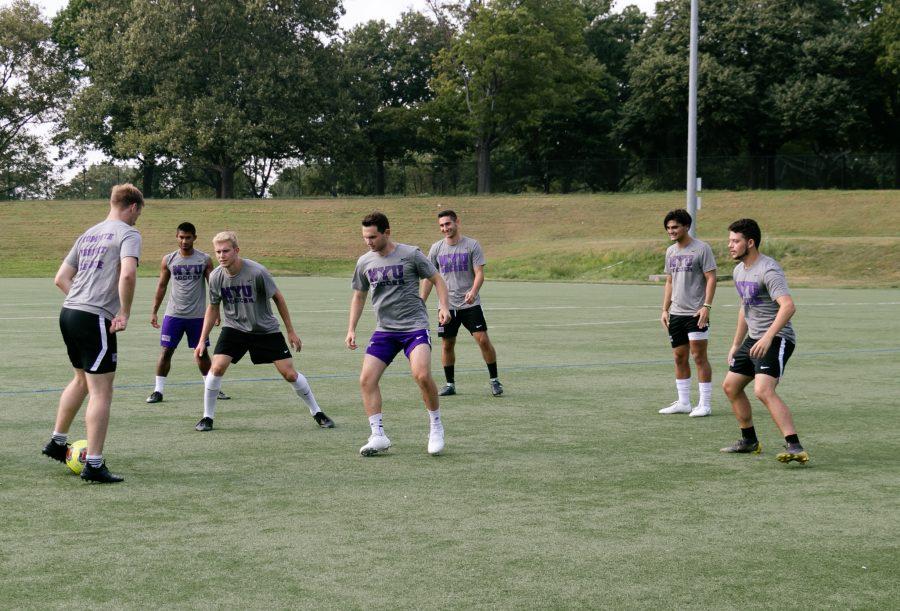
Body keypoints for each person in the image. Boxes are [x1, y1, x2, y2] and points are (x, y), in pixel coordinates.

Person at [41, 183, 144, 483]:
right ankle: (94, 464)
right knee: (102, 389)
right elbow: (128, 272)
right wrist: (122, 312)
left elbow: (61, 278)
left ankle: (57, 442)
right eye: (139, 212)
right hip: (93, 318)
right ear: (134, 207)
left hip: (69, 312)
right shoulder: (128, 233)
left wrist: (83, 300)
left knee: (81, 379)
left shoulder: (89, 233)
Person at [192, 231, 333, 432]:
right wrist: (202, 339)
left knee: (290, 374)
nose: (221, 256)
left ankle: (317, 412)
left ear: (236, 251)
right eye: (218, 252)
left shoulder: (257, 272)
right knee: (216, 369)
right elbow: (213, 307)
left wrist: (290, 331)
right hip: (234, 328)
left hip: (265, 330)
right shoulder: (215, 277)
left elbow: (278, 298)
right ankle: (207, 417)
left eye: (226, 251)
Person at [346, 212, 451, 456]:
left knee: (422, 374)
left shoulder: (411, 254)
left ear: (387, 232)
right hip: (385, 330)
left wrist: (443, 306)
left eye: (372, 236)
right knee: (366, 380)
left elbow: (437, 278)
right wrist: (351, 328)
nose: (368, 242)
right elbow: (359, 295)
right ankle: (378, 435)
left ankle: (436, 427)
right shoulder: (364, 262)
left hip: (414, 326)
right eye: (365, 237)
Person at [720, 218, 808, 464]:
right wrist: (737, 344)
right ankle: (749, 441)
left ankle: (795, 446)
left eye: (735, 241)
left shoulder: (769, 269)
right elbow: (744, 308)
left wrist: (769, 337)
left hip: (777, 338)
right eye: (729, 241)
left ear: (750, 242)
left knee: (763, 390)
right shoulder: (739, 271)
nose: (730, 245)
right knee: (731, 386)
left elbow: (788, 307)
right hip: (754, 339)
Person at [421, 210, 503, 397]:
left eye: (448, 224)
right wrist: (421, 301)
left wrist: (473, 292)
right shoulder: (436, 249)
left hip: (469, 305)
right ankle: (450, 384)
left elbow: (479, 273)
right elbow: (429, 277)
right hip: (446, 306)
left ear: (457, 222)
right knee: (447, 345)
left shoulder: (472, 245)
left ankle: (494, 380)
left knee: (483, 340)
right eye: (441, 225)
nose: (445, 228)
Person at [147, 222, 230, 403]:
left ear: (194, 238)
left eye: (188, 237)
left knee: (201, 353)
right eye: (181, 237)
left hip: (198, 316)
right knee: (166, 351)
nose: (184, 241)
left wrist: (217, 312)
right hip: (173, 315)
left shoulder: (204, 259)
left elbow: (213, 286)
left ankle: (212, 388)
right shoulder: (168, 259)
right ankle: (158, 391)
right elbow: (162, 286)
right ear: (177, 237)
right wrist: (154, 311)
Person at [658, 209, 717, 417]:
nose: (671, 231)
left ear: (686, 227)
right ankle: (684, 402)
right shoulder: (670, 252)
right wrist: (665, 309)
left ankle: (705, 404)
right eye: (668, 228)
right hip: (676, 314)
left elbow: (711, 278)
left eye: (675, 227)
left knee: (699, 356)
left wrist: (706, 306)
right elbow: (670, 280)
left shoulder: (702, 249)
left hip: (696, 313)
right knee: (679, 357)